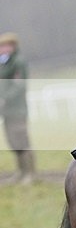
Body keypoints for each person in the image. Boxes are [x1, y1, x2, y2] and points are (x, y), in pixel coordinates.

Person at [0, 32, 36, 184]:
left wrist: (5, 98)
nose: (2, 49)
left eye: (5, 46)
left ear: (13, 47)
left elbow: (19, 85)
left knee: (21, 140)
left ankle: (30, 173)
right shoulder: (4, 64)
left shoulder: (18, 62)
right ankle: (20, 171)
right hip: (6, 111)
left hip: (17, 109)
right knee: (12, 140)